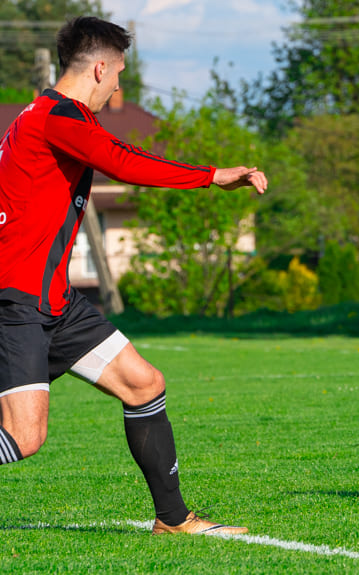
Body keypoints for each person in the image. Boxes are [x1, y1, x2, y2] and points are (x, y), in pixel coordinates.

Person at [0, 17, 267, 534]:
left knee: (143, 384)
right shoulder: (55, 117)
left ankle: (173, 520)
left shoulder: (46, 116)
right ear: (100, 67)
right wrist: (212, 176)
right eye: (118, 74)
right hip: (21, 301)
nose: (119, 86)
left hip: (56, 301)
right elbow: (123, 162)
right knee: (25, 439)